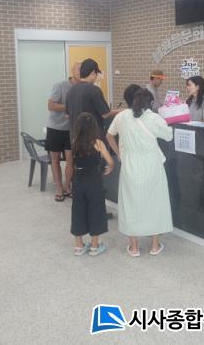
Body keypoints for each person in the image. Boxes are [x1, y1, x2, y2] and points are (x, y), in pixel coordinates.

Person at [107, 88, 174, 257]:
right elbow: (169, 136)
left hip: (130, 164)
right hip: (152, 164)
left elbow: (109, 135)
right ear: (150, 102)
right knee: (155, 203)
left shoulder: (121, 116)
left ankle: (134, 247)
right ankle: (155, 246)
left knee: (131, 204)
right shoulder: (154, 118)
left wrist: (119, 154)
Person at [70, 112, 114, 257]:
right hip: (94, 181)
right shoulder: (98, 143)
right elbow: (110, 162)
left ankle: (79, 246)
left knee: (78, 210)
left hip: (78, 180)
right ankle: (94, 246)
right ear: (94, 127)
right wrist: (110, 168)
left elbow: (70, 165)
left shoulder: (74, 142)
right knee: (96, 210)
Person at [45, 61, 81, 202]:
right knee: (55, 159)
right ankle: (59, 188)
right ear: (72, 70)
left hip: (71, 129)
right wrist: (70, 107)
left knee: (70, 159)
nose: (80, 71)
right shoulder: (60, 85)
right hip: (55, 128)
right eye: (78, 68)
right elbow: (51, 105)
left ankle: (67, 187)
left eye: (83, 69)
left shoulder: (83, 87)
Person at [65, 58, 119, 136]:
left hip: (75, 137)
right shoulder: (94, 90)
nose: (96, 77)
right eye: (97, 74)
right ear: (93, 73)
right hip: (92, 137)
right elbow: (105, 114)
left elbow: (67, 116)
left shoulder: (71, 90)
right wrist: (121, 111)